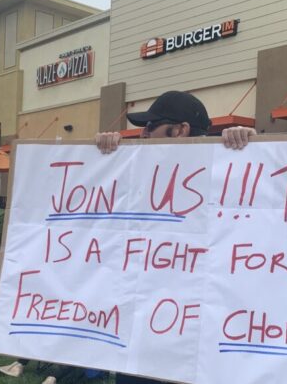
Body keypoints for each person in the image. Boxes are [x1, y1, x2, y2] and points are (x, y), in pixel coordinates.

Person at [95, 90, 256, 384]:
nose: (142, 134)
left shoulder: (223, 173)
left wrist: (252, 145)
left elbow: (270, 208)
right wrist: (103, 156)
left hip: (200, 341)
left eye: (150, 126)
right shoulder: (135, 173)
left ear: (180, 130)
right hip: (141, 340)